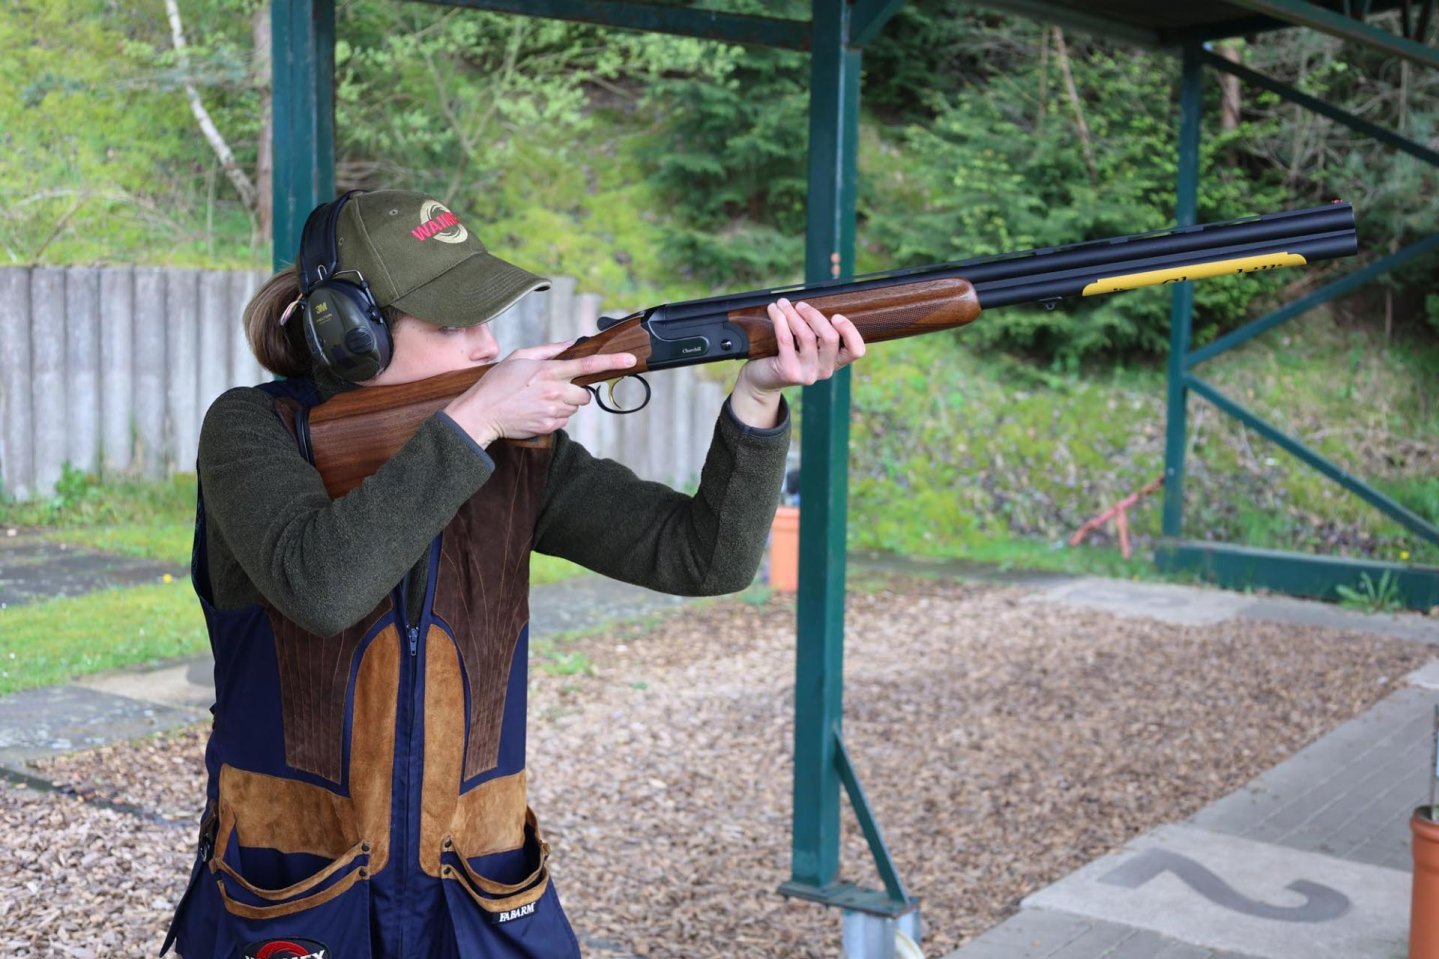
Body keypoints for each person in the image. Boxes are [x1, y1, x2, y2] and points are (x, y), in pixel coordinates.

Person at [162, 189, 865, 959]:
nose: (484, 346)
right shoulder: (255, 430)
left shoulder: (514, 452)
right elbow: (321, 586)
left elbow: (705, 558)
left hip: (482, 890)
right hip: (295, 890)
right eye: (451, 323)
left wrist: (757, 396)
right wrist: (476, 423)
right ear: (348, 335)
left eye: (487, 319)